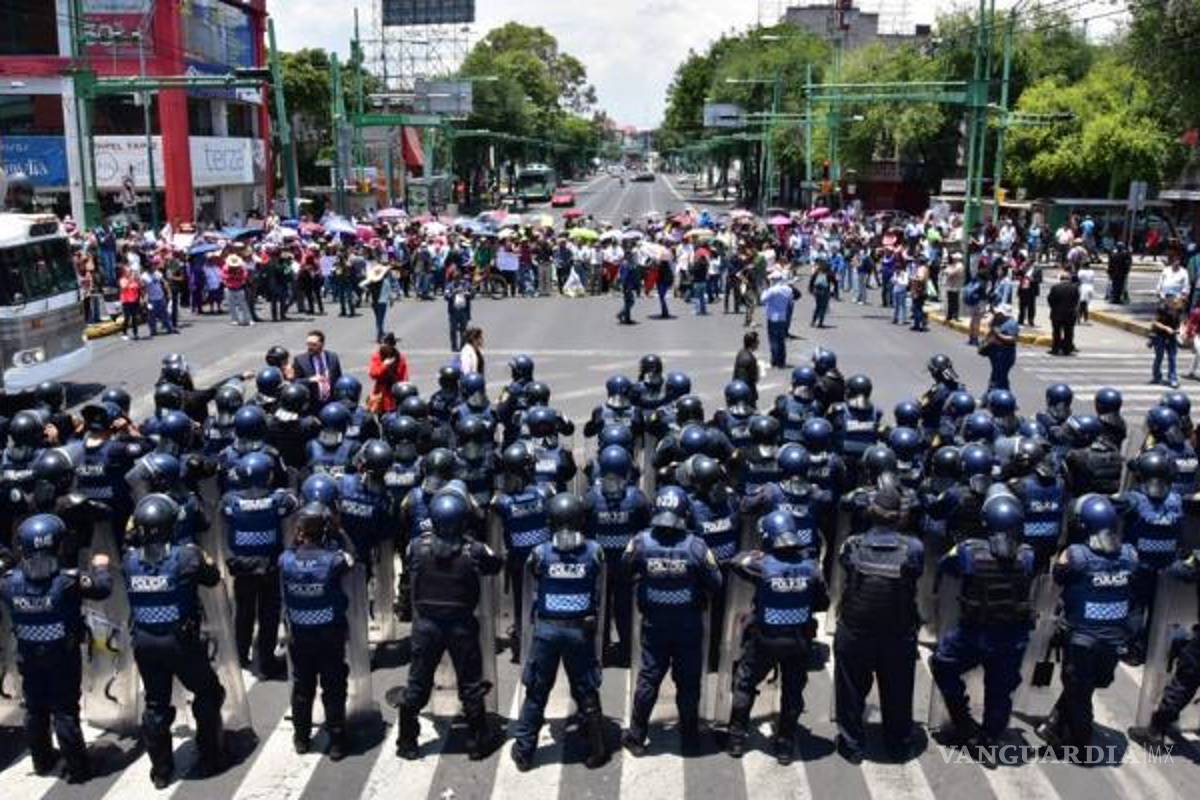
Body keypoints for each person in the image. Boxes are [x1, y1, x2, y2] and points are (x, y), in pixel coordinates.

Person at [125, 494, 227, 787]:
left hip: (144, 642)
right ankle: (209, 756)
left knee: (156, 705)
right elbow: (212, 577)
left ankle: (161, 771)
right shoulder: (187, 556)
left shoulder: (130, 560)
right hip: (181, 643)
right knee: (208, 693)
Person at [0, 515, 113, 782]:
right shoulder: (66, 582)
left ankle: (42, 760)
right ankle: (78, 768)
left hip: (28, 656)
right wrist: (101, 567)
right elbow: (102, 588)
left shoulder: (8, 583)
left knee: (35, 708)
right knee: (65, 710)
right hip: (62, 656)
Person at [394, 491, 505, 761]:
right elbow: (495, 564)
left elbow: (410, 563)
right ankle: (477, 741)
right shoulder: (475, 550)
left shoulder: (416, 547)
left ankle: (407, 742)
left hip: (426, 626)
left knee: (418, 682)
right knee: (470, 684)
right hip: (460, 626)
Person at [929, 491, 1035, 752]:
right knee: (1001, 691)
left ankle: (963, 721)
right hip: (1012, 638)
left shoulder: (968, 551)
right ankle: (990, 737)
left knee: (942, 663)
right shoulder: (1027, 555)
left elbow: (944, 566)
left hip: (974, 634)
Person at [510, 493, 609, 771]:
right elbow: (600, 592)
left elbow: (530, 588)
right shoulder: (595, 551)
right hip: (580, 632)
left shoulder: (540, 553)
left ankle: (524, 751)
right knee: (586, 690)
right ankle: (597, 749)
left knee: (536, 692)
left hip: (546, 632)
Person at [621, 486, 723, 755]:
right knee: (688, 683)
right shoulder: (697, 546)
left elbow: (624, 570)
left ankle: (636, 737)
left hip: (654, 624)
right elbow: (716, 582)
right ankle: (690, 740)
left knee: (649, 679)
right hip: (688, 625)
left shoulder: (640, 542)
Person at [1035, 495, 1136, 754]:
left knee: (1079, 690)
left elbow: (1058, 577)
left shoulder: (1076, 556)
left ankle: (1081, 744)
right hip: (1114, 640)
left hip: (1082, 639)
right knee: (1085, 685)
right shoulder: (1129, 555)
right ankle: (1055, 724)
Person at [833, 480, 924, 763]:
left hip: (855, 629)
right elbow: (916, 573)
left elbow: (845, 566)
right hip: (897, 631)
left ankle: (852, 745)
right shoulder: (913, 548)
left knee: (850, 689)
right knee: (898, 691)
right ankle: (898, 745)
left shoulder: (852, 544)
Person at [279, 502, 355, 759]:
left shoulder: (286, 560)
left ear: (300, 531)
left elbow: (291, 550)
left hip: (300, 636)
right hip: (330, 635)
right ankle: (337, 741)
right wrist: (338, 530)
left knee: (302, 687)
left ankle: (301, 738)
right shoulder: (333, 561)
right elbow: (352, 555)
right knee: (333, 687)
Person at [293, 330, 343, 405]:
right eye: (308, 344)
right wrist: (309, 380)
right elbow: (295, 382)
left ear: (322, 344)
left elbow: (339, 379)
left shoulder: (332, 357)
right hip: (312, 403)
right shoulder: (300, 360)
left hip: (331, 401)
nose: (310, 347)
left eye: (314, 345)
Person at [980, 306, 1019, 392]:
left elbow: (1012, 339)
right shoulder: (998, 320)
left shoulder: (1011, 324)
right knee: (997, 375)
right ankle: (994, 393)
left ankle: (995, 393)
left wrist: (999, 335)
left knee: (1000, 375)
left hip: (1005, 354)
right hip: (995, 353)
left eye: (1000, 313)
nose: (997, 314)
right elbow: (990, 326)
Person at [761, 273, 796, 369]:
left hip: (773, 317)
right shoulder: (788, 289)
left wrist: (765, 289)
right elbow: (790, 301)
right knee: (781, 340)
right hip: (783, 316)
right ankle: (782, 361)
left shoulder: (772, 290)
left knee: (773, 340)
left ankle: (775, 361)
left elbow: (762, 299)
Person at [367, 333, 409, 413]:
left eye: (385, 344)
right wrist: (384, 365)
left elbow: (404, 377)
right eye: (381, 343)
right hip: (381, 395)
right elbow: (373, 373)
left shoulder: (399, 358)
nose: (382, 346)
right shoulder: (377, 356)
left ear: (391, 345)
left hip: (395, 394)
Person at [1151, 296, 1185, 388]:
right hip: (1160, 335)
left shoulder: (1179, 309)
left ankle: (1172, 378)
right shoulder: (1162, 308)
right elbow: (1155, 322)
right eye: (1174, 302)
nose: (1176, 303)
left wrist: (1181, 330)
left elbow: (1182, 321)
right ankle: (1157, 376)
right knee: (1159, 357)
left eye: (1177, 302)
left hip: (1172, 336)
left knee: (1172, 358)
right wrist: (1166, 328)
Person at [1047, 271, 1080, 356]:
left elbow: (1050, 299)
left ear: (1061, 279)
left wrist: (1054, 308)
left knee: (1056, 332)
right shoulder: (1074, 288)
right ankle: (1067, 349)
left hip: (1057, 313)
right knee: (1068, 332)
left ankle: (1055, 349)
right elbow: (1076, 301)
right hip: (1070, 314)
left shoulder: (1055, 287)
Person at [445, 267, 474, 351]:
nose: (457, 280)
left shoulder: (466, 284)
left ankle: (462, 346)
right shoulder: (449, 286)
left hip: (464, 311)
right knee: (453, 330)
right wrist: (453, 293)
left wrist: (466, 293)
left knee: (463, 330)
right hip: (453, 311)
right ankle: (454, 346)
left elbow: (472, 294)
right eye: (455, 278)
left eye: (458, 278)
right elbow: (446, 296)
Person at [222, 254, 253, 327]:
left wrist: (236, 276)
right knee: (231, 305)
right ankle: (234, 320)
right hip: (229, 288)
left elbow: (244, 275)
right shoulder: (225, 268)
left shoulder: (241, 267)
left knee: (243, 304)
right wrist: (235, 276)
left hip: (239, 288)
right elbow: (224, 276)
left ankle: (248, 319)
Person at [733, 331, 761, 406]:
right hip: (746, 392)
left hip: (738, 389)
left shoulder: (741, 353)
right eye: (757, 341)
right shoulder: (750, 358)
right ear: (752, 343)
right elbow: (752, 378)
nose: (758, 343)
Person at [119, 266, 143, 341]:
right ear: (124, 272)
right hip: (126, 301)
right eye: (128, 271)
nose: (129, 273)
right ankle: (124, 333)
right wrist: (130, 280)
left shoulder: (134, 280)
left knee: (134, 317)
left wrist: (138, 280)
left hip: (134, 301)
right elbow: (123, 288)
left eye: (130, 271)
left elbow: (138, 289)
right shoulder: (122, 280)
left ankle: (135, 333)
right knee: (127, 317)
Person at [808, 260, 833, 328]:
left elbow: (812, 281)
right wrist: (834, 292)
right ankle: (820, 322)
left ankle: (813, 321)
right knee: (823, 307)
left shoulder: (817, 272)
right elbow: (834, 282)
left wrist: (810, 289)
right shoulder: (829, 273)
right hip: (825, 291)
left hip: (817, 291)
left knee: (818, 306)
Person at [942, 253, 965, 322]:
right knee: (950, 301)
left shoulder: (959, 266)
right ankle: (949, 315)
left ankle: (955, 316)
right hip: (950, 285)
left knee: (955, 302)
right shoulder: (951, 265)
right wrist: (947, 270)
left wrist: (948, 271)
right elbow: (945, 272)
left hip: (955, 286)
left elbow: (951, 273)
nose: (953, 259)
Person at [617, 250, 638, 325]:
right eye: (629, 255)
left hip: (628, 285)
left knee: (627, 302)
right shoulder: (626, 263)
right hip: (627, 285)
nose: (631, 256)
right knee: (631, 301)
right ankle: (621, 314)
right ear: (626, 256)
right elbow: (624, 276)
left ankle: (627, 318)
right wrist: (626, 286)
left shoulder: (628, 263)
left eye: (631, 255)